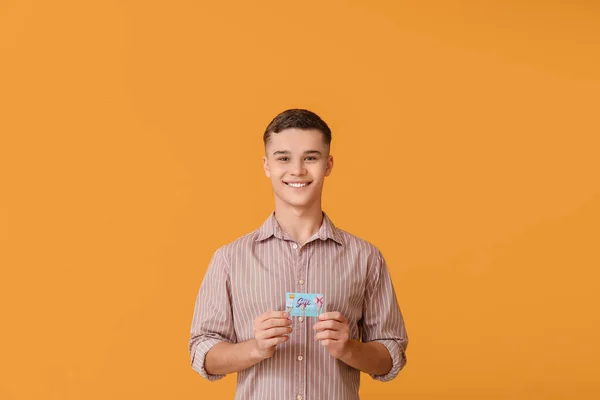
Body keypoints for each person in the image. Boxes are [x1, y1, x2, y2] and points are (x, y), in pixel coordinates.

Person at [189, 109, 408, 400]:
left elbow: (391, 356)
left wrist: (349, 348)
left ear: (328, 165)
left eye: (310, 157)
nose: (297, 170)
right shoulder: (230, 259)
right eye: (283, 158)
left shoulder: (365, 258)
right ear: (267, 166)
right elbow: (202, 352)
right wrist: (255, 348)